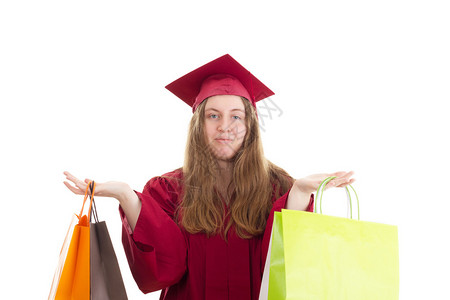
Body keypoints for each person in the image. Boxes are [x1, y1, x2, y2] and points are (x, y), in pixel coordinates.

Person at [63, 54, 355, 300]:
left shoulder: (278, 188)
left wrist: (300, 195)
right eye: (213, 115)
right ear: (198, 124)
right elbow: (162, 272)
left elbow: (288, 270)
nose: (224, 126)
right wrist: (126, 195)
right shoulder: (168, 191)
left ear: (250, 125)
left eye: (236, 116)